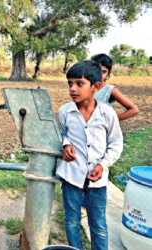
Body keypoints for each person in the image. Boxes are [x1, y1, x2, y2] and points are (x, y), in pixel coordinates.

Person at [57, 60, 123, 250]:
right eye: (70, 83)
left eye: (79, 83)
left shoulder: (107, 114)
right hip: (71, 176)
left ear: (96, 87)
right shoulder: (65, 112)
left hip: (97, 181)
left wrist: (103, 165)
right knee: (71, 220)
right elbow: (62, 133)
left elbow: (116, 144)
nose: (73, 89)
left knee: (99, 225)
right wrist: (66, 144)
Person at [80, 54, 139, 217]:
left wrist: (111, 120)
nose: (99, 74)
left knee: (95, 167)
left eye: (104, 71)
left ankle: (86, 206)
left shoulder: (109, 89)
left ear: (109, 72)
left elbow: (133, 109)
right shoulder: (84, 85)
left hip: (98, 136)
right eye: (96, 70)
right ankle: (79, 201)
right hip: (81, 133)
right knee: (80, 165)